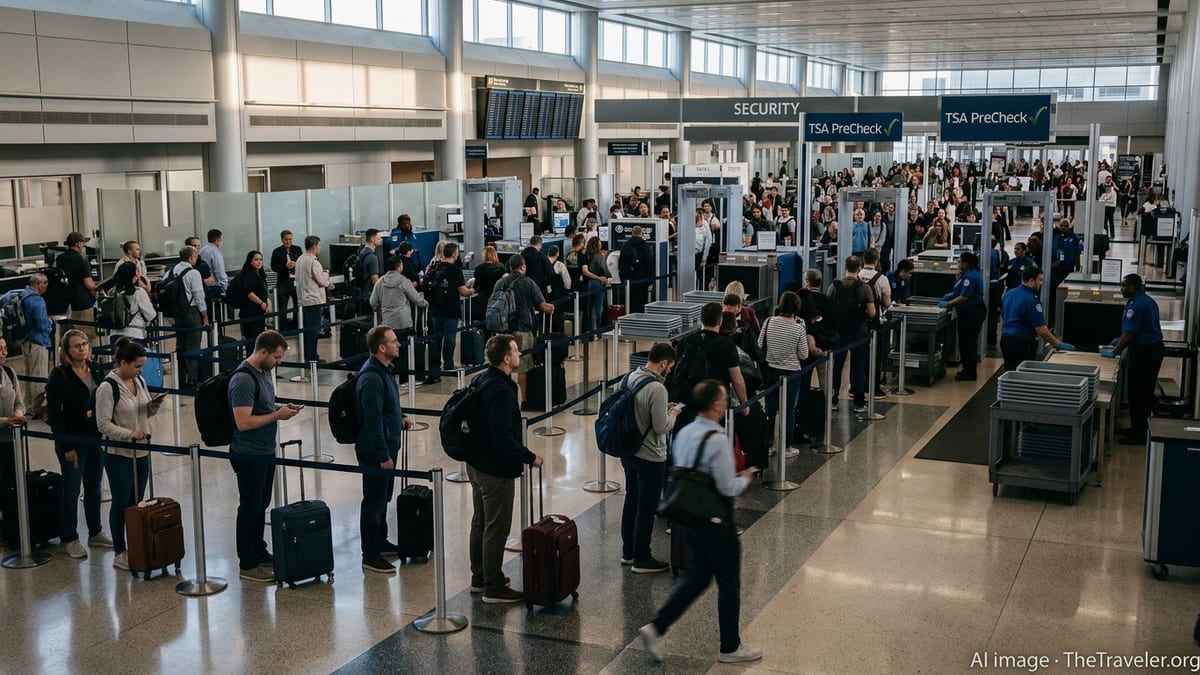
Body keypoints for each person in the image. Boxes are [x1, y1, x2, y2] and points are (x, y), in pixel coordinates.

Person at [639, 379, 761, 665]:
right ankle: (730, 646)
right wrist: (746, 478)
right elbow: (727, 487)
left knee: (698, 577)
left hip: (687, 517)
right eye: (723, 398)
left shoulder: (685, 432)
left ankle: (657, 627)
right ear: (717, 404)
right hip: (715, 520)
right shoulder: (717, 439)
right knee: (729, 582)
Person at [466, 334, 544, 603]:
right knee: (496, 528)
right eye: (515, 351)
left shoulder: (482, 379)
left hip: (476, 463)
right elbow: (502, 436)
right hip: (494, 469)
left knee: (481, 522)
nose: (519, 354)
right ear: (506, 358)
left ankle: (480, 577)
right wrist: (529, 456)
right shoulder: (500, 390)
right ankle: (493, 586)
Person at [229, 331, 302, 582]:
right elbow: (243, 421)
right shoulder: (243, 380)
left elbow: (261, 406)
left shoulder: (264, 374)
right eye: (276, 358)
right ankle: (247, 563)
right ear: (262, 352)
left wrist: (280, 409)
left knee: (260, 505)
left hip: (264, 450)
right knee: (249, 507)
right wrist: (276, 415)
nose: (278, 363)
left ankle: (257, 550)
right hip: (249, 453)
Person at [95, 340, 163, 571]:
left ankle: (135, 544)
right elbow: (102, 424)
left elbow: (143, 411)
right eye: (136, 366)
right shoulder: (108, 387)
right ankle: (119, 550)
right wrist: (129, 434)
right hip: (118, 453)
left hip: (142, 451)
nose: (140, 370)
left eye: (142, 366)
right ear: (122, 363)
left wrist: (152, 406)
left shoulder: (139, 380)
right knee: (121, 501)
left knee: (136, 502)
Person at [46, 329, 109, 560]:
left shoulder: (96, 369)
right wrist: (66, 447)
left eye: (85, 344)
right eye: (77, 345)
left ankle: (95, 531)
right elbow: (55, 415)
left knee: (94, 487)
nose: (82, 348)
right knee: (72, 489)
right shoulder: (59, 375)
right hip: (72, 440)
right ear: (67, 351)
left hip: (94, 437)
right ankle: (70, 537)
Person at [356, 326, 413, 574]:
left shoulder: (385, 371)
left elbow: (387, 407)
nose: (398, 344)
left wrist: (400, 417)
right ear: (381, 347)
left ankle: (380, 540)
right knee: (374, 500)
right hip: (377, 450)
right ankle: (370, 553)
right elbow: (372, 419)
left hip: (389, 443)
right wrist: (382, 455)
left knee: (383, 497)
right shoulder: (370, 377)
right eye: (393, 341)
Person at [619, 342, 677, 574]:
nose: (669, 371)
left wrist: (663, 409)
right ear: (663, 363)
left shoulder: (629, 377)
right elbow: (661, 427)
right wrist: (672, 414)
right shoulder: (657, 389)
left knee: (631, 500)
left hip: (629, 451)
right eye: (669, 367)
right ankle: (642, 558)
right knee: (647, 506)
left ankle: (628, 551)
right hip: (651, 456)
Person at [1103, 273, 1164, 444]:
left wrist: (1114, 350)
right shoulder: (1146, 300)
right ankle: (1137, 428)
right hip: (1151, 349)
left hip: (1145, 352)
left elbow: (1130, 334)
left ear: (1133, 287)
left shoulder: (1136, 305)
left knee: (1138, 393)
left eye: (1124, 286)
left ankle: (1139, 434)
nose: (1121, 289)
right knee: (1142, 392)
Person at [670, 303, 749, 430]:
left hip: (687, 404)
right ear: (720, 321)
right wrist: (745, 404)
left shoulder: (686, 340)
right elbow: (737, 379)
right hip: (713, 406)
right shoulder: (726, 345)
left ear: (702, 319)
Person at [758, 292, 816, 454]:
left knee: (770, 407)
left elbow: (759, 344)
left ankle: (768, 443)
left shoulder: (769, 322)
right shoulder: (798, 328)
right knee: (789, 410)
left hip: (771, 370)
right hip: (792, 373)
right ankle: (786, 446)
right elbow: (804, 354)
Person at [498, 255, 556, 407]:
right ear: (523, 267)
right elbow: (542, 305)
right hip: (522, 329)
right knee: (522, 364)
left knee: (505, 364)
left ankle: (506, 398)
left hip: (503, 328)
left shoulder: (501, 282)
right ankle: (524, 400)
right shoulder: (528, 282)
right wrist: (550, 308)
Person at [1000, 267, 1073, 371]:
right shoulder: (1031, 300)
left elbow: (1003, 315)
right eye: (1040, 280)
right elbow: (1041, 329)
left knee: (1010, 372)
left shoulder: (1009, 294)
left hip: (1006, 340)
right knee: (1023, 375)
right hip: (1022, 343)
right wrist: (1057, 343)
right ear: (1031, 281)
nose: (1041, 283)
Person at [828, 257, 876, 412]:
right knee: (858, 367)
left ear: (845, 267)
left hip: (838, 333)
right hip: (858, 332)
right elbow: (872, 312)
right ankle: (859, 403)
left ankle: (833, 400)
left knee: (837, 366)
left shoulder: (834, 286)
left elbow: (828, 308)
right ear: (859, 268)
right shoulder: (864, 288)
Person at [424, 242, 473, 385]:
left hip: (435, 310)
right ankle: (449, 366)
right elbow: (463, 291)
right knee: (450, 339)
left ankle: (434, 369)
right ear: (454, 254)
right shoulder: (455, 270)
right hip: (451, 310)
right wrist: (472, 290)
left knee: (435, 341)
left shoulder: (433, 267)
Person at [939, 251, 986, 381]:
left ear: (966, 263)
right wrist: (950, 296)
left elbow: (964, 297)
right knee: (965, 342)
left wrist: (948, 304)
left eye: (959, 261)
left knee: (968, 343)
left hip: (972, 312)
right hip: (967, 312)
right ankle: (966, 369)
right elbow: (957, 292)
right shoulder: (965, 275)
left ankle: (970, 373)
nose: (958, 263)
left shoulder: (970, 277)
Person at [0, 336, 27, 549]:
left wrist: (18, 414)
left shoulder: (9, 373)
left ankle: (11, 529)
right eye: (0, 349)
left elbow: (19, 401)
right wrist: (5, 421)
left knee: (11, 485)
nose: (4, 353)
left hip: (11, 440)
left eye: (5, 348)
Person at [169, 246, 208, 387]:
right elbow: (199, 296)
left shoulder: (172, 271)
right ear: (191, 257)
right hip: (191, 312)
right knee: (193, 347)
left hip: (177, 313)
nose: (197, 258)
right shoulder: (194, 273)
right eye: (196, 256)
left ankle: (179, 378)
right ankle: (193, 378)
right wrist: (205, 316)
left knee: (180, 346)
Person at [296, 235, 334, 365]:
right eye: (319, 245)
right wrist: (327, 276)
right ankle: (313, 358)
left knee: (307, 331)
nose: (320, 248)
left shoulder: (300, 259)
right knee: (313, 331)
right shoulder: (313, 262)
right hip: (314, 300)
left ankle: (309, 355)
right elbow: (321, 280)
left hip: (303, 299)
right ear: (314, 246)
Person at [370, 254, 427, 337]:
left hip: (387, 324)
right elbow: (417, 299)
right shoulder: (404, 281)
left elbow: (373, 302)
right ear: (399, 266)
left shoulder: (380, 282)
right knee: (404, 348)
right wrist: (425, 303)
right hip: (403, 323)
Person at [20, 273, 52, 418]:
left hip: (25, 340)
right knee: (39, 375)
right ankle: (39, 409)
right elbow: (42, 324)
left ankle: (28, 406)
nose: (46, 286)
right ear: (38, 285)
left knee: (28, 375)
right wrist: (50, 326)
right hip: (38, 341)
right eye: (45, 283)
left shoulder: (21, 295)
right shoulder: (37, 300)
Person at [56, 232, 98, 341]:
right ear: (78, 244)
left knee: (67, 339)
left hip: (63, 304)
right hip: (81, 303)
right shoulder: (81, 260)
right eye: (83, 243)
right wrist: (96, 293)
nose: (84, 246)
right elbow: (89, 284)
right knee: (87, 337)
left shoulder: (60, 259)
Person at [107, 262, 156, 342]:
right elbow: (151, 315)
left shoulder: (111, 291)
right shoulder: (139, 292)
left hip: (114, 335)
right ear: (134, 275)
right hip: (135, 334)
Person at [232, 250, 270, 349]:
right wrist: (261, 303)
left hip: (258, 313)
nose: (259, 262)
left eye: (261, 260)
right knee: (253, 343)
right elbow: (249, 293)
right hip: (250, 313)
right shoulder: (249, 275)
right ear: (250, 261)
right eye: (256, 260)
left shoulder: (259, 274)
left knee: (258, 342)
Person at [270, 230, 302, 327]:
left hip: (296, 281)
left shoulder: (297, 249)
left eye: (290, 239)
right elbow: (274, 267)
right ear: (282, 240)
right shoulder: (277, 251)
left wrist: (296, 264)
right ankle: (282, 328)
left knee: (298, 305)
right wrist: (285, 266)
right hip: (283, 282)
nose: (288, 241)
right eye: (286, 239)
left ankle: (297, 326)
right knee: (282, 307)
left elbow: (302, 263)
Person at [619, 225, 654, 314]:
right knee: (640, 303)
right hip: (642, 279)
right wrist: (651, 280)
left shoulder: (625, 245)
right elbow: (648, 263)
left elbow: (621, 261)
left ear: (632, 233)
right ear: (641, 233)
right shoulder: (644, 245)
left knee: (629, 302)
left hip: (628, 279)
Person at [581, 236, 609, 334]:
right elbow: (605, 270)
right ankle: (598, 330)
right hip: (598, 284)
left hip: (587, 284)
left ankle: (590, 330)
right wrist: (604, 278)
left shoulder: (585, 255)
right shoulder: (599, 256)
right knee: (597, 308)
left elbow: (585, 271)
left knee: (589, 308)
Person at [198, 228, 228, 317]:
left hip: (203, 286)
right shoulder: (215, 252)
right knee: (216, 316)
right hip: (214, 288)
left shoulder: (202, 250)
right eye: (220, 240)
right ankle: (217, 330)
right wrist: (224, 286)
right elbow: (219, 271)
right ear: (217, 240)